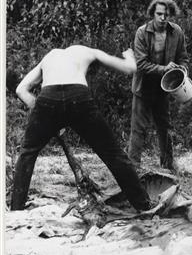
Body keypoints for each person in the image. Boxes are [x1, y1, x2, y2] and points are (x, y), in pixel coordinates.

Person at [11, 45, 152, 211]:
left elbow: (21, 90)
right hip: (78, 97)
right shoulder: (89, 51)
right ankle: (143, 206)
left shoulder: (50, 56)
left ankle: (16, 209)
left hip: (48, 97)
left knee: (27, 153)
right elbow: (130, 69)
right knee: (113, 154)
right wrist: (129, 55)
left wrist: (42, 115)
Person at [128, 0, 189, 174]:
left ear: (171, 15)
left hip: (164, 88)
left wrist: (181, 71)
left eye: (167, 15)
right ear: (152, 13)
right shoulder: (142, 32)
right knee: (138, 129)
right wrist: (164, 69)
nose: (163, 18)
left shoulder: (176, 32)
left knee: (165, 127)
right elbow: (141, 64)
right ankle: (133, 168)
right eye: (159, 14)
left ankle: (168, 164)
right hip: (143, 87)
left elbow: (183, 58)